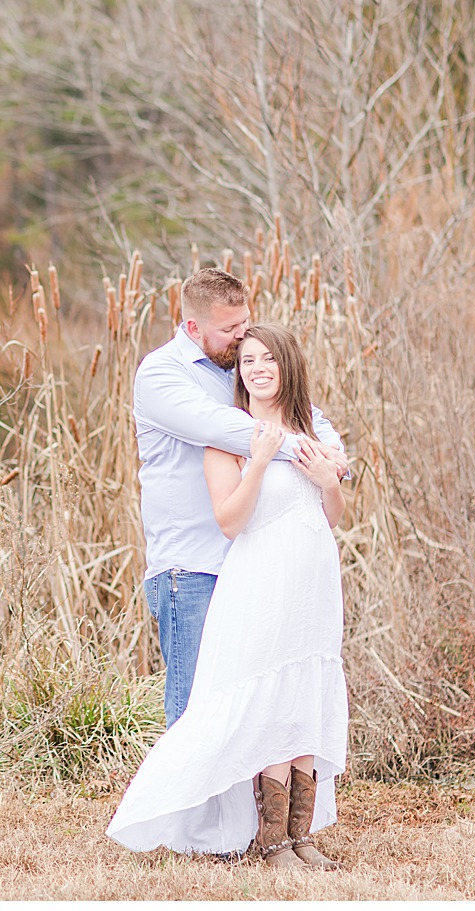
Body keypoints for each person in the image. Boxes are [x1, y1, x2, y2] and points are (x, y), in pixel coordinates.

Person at [108, 322, 348, 869]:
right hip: (261, 576)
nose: (258, 369)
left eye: (268, 359)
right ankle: (271, 842)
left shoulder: (315, 432)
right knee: (268, 695)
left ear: (289, 364)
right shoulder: (228, 435)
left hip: (313, 579)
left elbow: (331, 516)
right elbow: (229, 522)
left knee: (304, 692)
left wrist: (329, 481)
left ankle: (302, 836)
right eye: (247, 361)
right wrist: (259, 461)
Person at [133, 269, 345, 726]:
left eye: (245, 323)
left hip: (247, 568)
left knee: (243, 711)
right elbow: (223, 427)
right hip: (190, 567)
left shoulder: (240, 366)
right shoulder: (161, 374)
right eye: (229, 329)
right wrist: (301, 449)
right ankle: (180, 800)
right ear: (192, 328)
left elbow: (311, 417)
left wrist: (334, 458)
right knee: (194, 713)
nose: (241, 336)